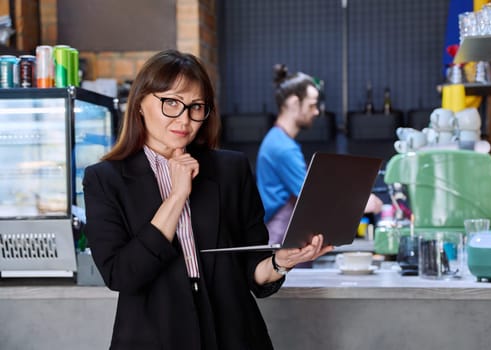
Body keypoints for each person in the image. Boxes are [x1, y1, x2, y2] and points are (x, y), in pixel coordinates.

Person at [82, 50, 333, 350]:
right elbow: (121, 275)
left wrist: (280, 263)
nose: (185, 119)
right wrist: (176, 196)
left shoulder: (231, 169)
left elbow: (252, 271)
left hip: (234, 332)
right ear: (139, 104)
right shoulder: (105, 179)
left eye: (196, 107)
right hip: (154, 335)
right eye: (171, 102)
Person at [256, 64, 383, 246]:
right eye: (312, 105)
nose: (316, 112)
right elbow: (312, 198)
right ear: (293, 103)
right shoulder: (283, 148)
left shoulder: (277, 140)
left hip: (284, 233)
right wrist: (359, 203)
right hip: (281, 237)